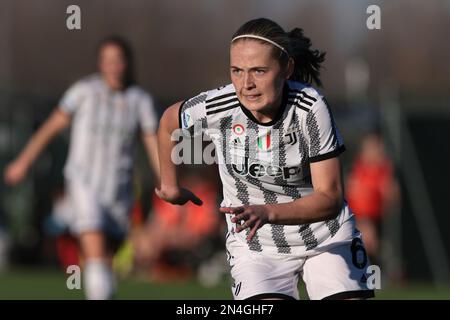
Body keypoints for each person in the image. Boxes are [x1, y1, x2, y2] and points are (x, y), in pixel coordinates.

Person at [156, 18, 374, 300]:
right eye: (237, 71)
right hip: (256, 248)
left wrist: (267, 212)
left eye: (259, 71)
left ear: (287, 69)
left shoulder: (309, 107)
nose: (246, 84)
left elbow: (330, 198)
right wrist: (170, 185)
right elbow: (167, 122)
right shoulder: (217, 107)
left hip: (325, 239)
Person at [3, 36, 160, 299]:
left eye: (118, 60)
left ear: (128, 63)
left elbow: (152, 141)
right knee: (95, 245)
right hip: (84, 182)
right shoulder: (84, 91)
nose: (113, 66)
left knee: (104, 258)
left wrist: (167, 181)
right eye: (107, 60)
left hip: (118, 189)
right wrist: (23, 161)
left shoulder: (139, 100)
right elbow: (50, 128)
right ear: (100, 64)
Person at [346, 132, 399, 266]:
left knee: (370, 245)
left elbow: (391, 192)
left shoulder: (383, 169)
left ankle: (374, 277)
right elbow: (351, 189)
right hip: (357, 214)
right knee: (367, 244)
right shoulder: (358, 167)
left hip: (374, 215)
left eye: (377, 148)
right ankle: (373, 276)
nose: (376, 151)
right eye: (371, 148)